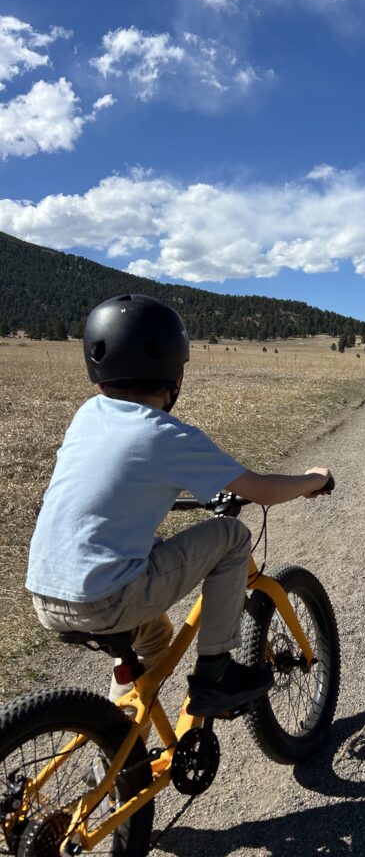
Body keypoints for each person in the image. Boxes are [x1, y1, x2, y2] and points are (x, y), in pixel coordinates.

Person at [25, 293, 332, 716]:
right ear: (174, 374)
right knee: (230, 535)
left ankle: (119, 753)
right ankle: (216, 673)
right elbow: (261, 489)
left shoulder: (87, 416)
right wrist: (316, 479)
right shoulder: (166, 434)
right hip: (106, 598)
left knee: (151, 639)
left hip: (45, 592)